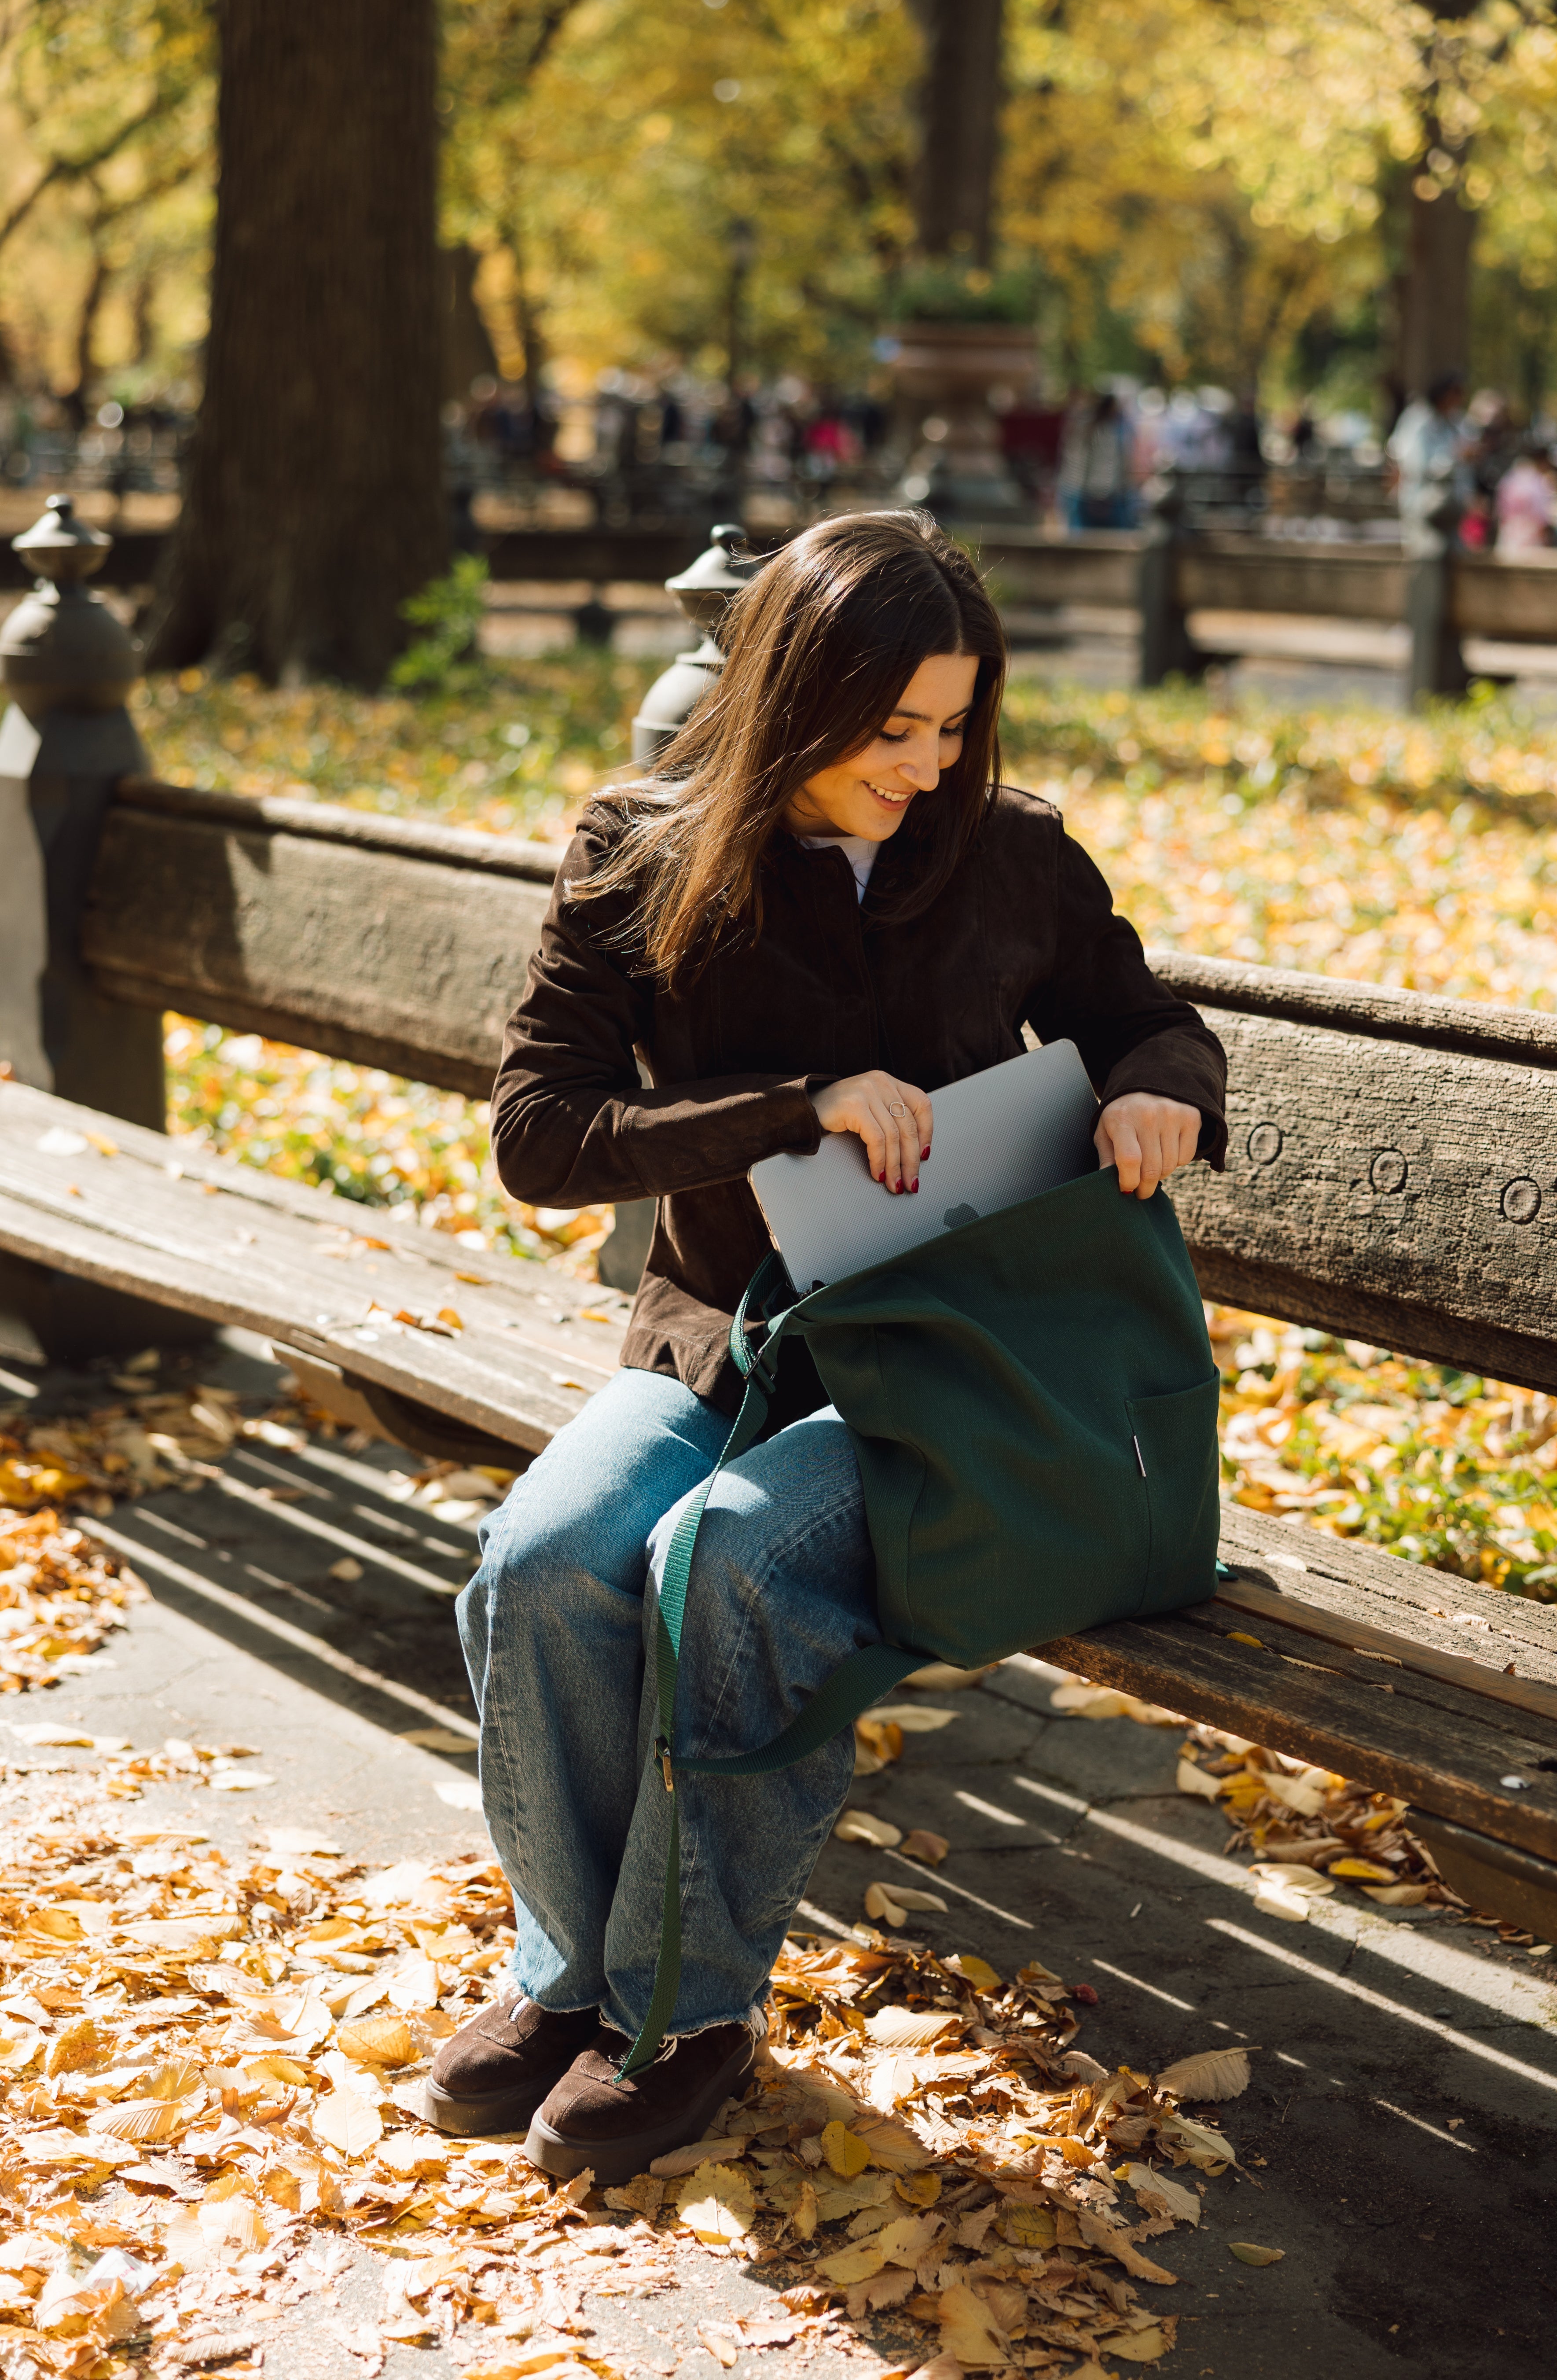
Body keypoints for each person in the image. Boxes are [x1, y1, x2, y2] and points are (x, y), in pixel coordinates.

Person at [422, 511, 1228, 2181]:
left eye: (952, 726)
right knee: (541, 1561)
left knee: (725, 1565)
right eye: (891, 732)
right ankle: (579, 1978)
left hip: (940, 1369)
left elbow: (1143, 1016)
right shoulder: (639, 852)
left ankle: (690, 2010)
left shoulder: (1008, 853)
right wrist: (790, 1110)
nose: (926, 767)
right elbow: (538, 1130)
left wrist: (1162, 1089)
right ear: (793, 702)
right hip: (720, 1344)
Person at [1387, 371, 1470, 544]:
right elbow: (1415, 466)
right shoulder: (1418, 420)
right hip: (1421, 505)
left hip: (1450, 509)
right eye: (1456, 393)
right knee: (1428, 555)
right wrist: (1454, 458)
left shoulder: (1455, 423)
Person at [1059, 389, 1137, 529]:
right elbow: (1110, 466)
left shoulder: (1090, 428)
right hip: (1096, 494)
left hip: (1086, 492)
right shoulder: (1107, 432)